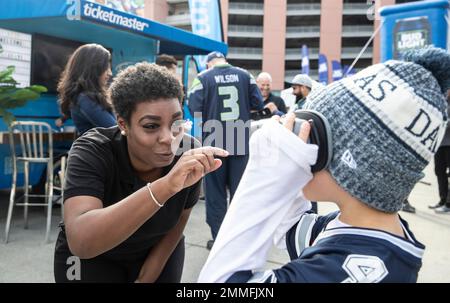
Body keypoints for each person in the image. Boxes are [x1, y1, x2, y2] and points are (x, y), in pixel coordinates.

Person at [198, 47, 450, 283]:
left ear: (350, 163)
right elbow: (292, 226)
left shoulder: (354, 272)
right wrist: (283, 169)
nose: (300, 135)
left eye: (311, 130)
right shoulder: (359, 230)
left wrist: (260, 178)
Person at [53, 62, 228, 283]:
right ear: (123, 124)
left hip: (155, 247)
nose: (168, 138)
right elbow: (81, 241)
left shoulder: (188, 152)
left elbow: (178, 223)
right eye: (151, 126)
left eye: (176, 122)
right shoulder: (93, 150)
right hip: (94, 257)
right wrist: (165, 186)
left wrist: (146, 277)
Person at [188, 51, 264, 250]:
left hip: (214, 141)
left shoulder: (202, 78)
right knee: (241, 195)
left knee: (215, 195)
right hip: (240, 140)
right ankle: (241, 239)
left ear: (209, 64)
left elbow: (194, 105)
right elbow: (258, 103)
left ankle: (219, 240)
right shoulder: (245, 75)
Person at [57, 43, 116, 135]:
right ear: (93, 69)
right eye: (106, 67)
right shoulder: (85, 99)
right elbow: (117, 132)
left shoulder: (86, 97)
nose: (110, 73)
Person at [431, 92, 450, 214]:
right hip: (441, 142)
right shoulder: (443, 100)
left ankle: (448, 204)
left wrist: (441, 122)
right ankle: (442, 199)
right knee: (439, 170)